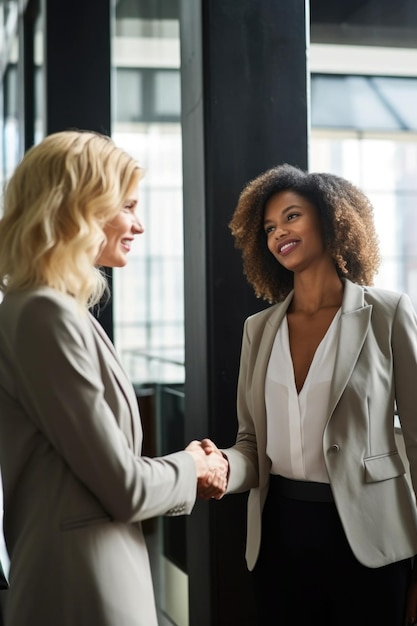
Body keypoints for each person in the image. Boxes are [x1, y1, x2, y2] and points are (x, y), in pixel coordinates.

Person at [0, 130, 227, 626]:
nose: (138, 225)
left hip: (91, 574)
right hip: (82, 588)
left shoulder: (57, 310)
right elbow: (125, 487)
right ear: (81, 206)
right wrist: (193, 466)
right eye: (127, 205)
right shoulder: (44, 314)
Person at [199, 163, 417, 625]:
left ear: (331, 217)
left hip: (371, 540)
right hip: (279, 537)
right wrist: (218, 465)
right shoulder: (258, 330)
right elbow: (252, 447)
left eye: (292, 217)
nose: (279, 233)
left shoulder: (387, 313)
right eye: (270, 227)